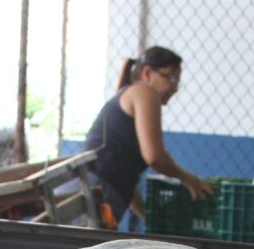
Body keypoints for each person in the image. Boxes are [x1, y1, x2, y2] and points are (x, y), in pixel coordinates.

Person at [80, 46, 213, 232]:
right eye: (171, 77)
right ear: (148, 73)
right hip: (93, 193)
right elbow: (155, 157)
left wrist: (149, 218)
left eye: (178, 80)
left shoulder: (130, 93)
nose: (174, 87)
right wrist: (189, 179)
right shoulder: (144, 92)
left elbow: (125, 180)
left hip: (94, 190)